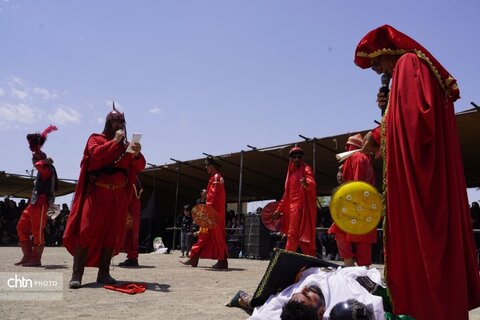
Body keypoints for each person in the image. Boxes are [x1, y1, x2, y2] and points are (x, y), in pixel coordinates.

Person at [355, 25, 480, 319]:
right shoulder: (409, 72)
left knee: (424, 245)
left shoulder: (411, 64)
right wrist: (386, 114)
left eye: (376, 63)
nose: (377, 71)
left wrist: (377, 133)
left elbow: (414, 122)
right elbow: (405, 117)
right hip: (425, 176)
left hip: (422, 181)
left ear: (390, 51)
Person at [63, 103, 146, 288]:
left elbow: (139, 167)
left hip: (118, 197)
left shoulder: (127, 147)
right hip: (97, 194)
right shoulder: (96, 138)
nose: (119, 125)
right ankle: (77, 274)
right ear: (108, 123)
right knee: (86, 231)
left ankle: (104, 273)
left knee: (112, 234)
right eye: (115, 121)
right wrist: (114, 142)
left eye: (121, 122)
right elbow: (96, 154)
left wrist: (137, 155)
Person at [328, 134, 376, 267]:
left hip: (353, 206)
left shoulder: (356, 157)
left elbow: (356, 185)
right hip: (367, 207)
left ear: (349, 146)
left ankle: (349, 270)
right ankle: (364, 277)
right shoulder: (365, 158)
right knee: (363, 242)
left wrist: (343, 182)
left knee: (341, 235)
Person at [15, 125, 58, 267]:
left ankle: (36, 259)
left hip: (41, 203)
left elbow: (39, 166)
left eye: (37, 157)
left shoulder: (48, 169)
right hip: (33, 203)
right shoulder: (42, 167)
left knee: (37, 232)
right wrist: (38, 155)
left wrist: (42, 160)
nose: (34, 159)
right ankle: (27, 256)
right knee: (21, 227)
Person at [181, 157, 229, 269]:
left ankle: (221, 261)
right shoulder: (217, 177)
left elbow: (212, 197)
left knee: (214, 237)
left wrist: (206, 212)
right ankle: (194, 258)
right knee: (205, 236)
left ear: (212, 166)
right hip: (214, 214)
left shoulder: (216, 178)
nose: (206, 167)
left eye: (207, 165)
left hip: (212, 215)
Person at [273, 146, 317, 257]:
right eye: (294, 157)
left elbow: (311, 180)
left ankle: (288, 257)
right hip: (291, 210)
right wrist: (279, 210)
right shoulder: (291, 174)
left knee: (293, 234)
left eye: (299, 157)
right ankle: (310, 258)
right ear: (291, 159)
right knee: (298, 236)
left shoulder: (306, 168)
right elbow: (286, 195)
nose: (297, 159)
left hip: (301, 208)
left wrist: (306, 184)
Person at [119, 176, 144, 267]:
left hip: (129, 207)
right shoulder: (136, 179)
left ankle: (132, 258)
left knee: (122, 232)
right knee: (133, 234)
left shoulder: (129, 178)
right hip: (134, 208)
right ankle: (132, 258)